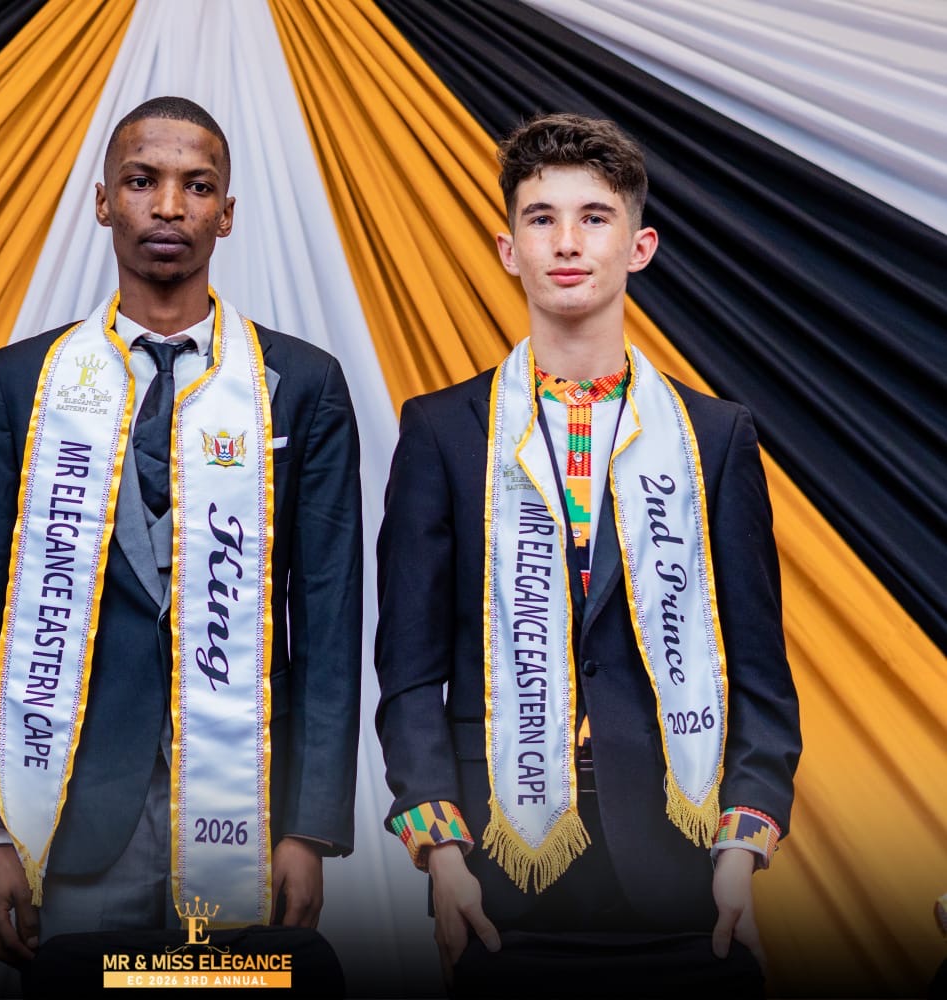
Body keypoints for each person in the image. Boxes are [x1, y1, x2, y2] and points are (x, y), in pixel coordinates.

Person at [374, 114, 801, 984]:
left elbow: (759, 673)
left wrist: (741, 852)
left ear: (640, 247)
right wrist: (442, 855)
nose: (567, 242)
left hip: (689, 868)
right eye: (541, 219)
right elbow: (410, 674)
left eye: (594, 217)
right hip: (498, 873)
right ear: (509, 249)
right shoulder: (442, 431)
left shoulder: (715, 437)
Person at [0, 96, 363, 965]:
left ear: (227, 212)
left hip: (252, 814)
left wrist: (311, 827)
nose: (170, 206)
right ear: (104, 201)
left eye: (197, 186)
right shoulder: (19, 384)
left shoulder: (303, 384)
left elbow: (329, 624)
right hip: (70, 815)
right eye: (142, 181)